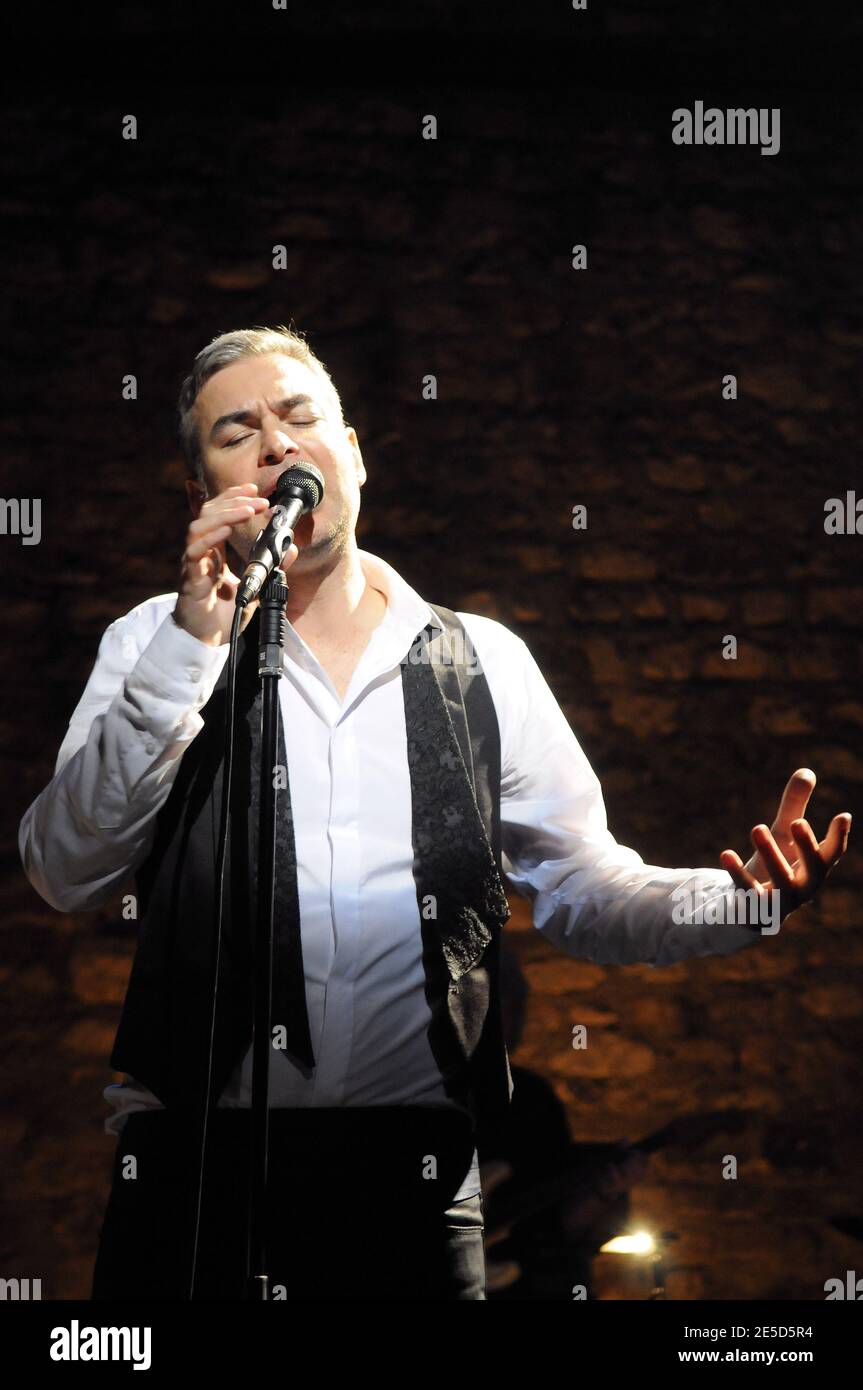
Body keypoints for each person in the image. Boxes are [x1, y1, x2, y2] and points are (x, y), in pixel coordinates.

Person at [18, 324, 852, 1301]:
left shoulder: (481, 660)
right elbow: (65, 868)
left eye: (297, 417)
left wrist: (730, 902)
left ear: (353, 453)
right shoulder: (151, 645)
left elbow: (584, 885)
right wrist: (190, 647)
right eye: (235, 431)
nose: (276, 445)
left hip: (412, 1184)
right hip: (190, 1169)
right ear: (200, 491)